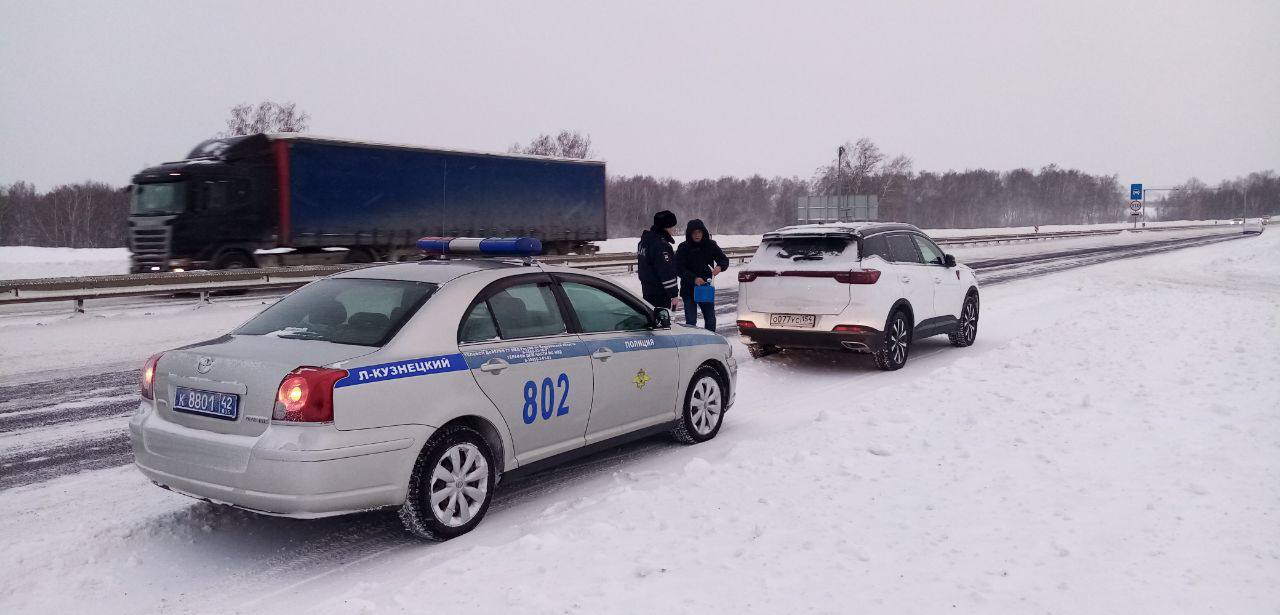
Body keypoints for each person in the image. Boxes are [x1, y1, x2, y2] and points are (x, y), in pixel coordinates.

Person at [675, 219, 729, 331]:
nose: (697, 235)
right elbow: (678, 268)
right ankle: (692, 344)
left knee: (710, 319)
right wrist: (693, 279)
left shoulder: (711, 245)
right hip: (688, 289)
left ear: (703, 232)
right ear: (689, 234)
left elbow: (724, 260)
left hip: (705, 288)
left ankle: (711, 343)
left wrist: (720, 267)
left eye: (699, 232)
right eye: (694, 232)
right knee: (691, 321)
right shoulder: (683, 247)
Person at [637, 210, 682, 310]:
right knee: (662, 322)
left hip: (647, 290)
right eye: (671, 226)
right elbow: (666, 272)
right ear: (665, 227)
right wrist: (674, 294)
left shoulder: (644, 242)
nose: (673, 230)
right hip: (660, 293)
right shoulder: (661, 246)